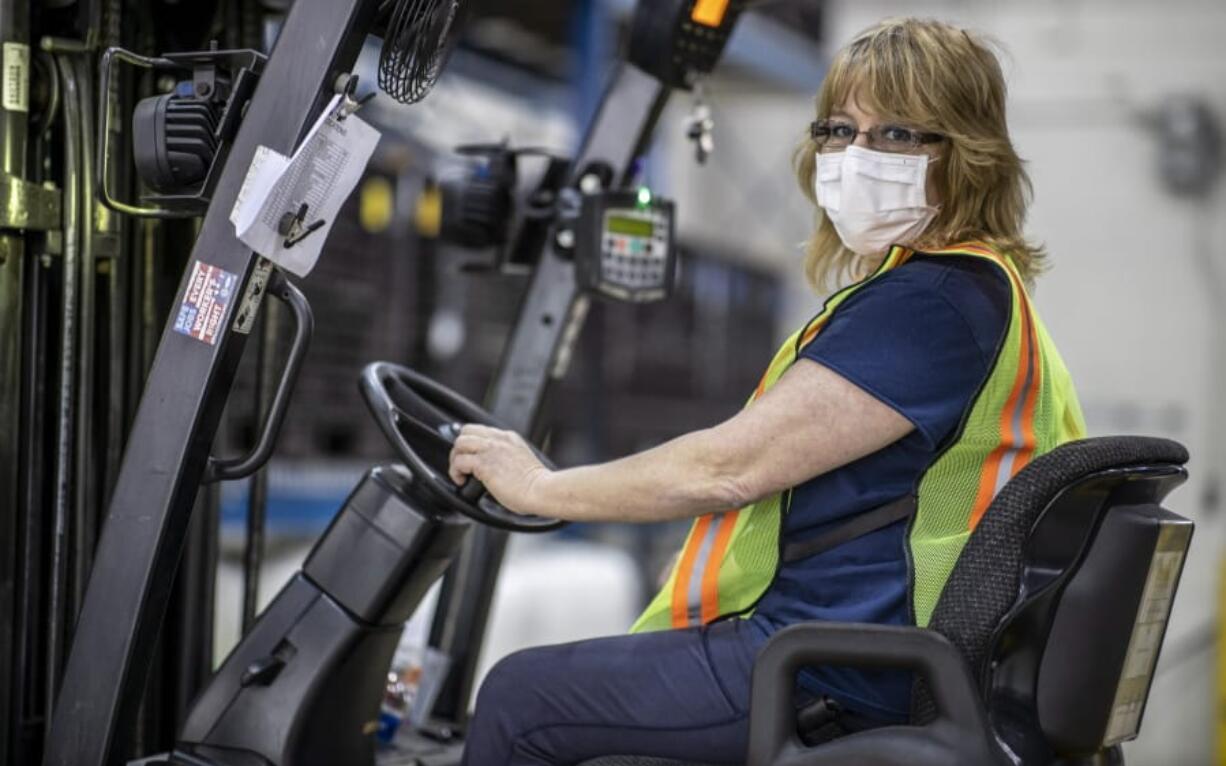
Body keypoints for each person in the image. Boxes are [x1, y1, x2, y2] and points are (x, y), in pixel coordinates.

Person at [448, 17, 1086, 765]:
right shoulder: (969, 294)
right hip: (864, 650)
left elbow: (726, 468)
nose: (854, 156)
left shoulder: (933, 304)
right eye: (839, 130)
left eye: (896, 135)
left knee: (521, 697)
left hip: (834, 669)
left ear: (966, 153)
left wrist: (537, 487)